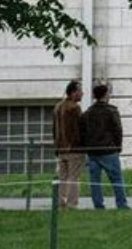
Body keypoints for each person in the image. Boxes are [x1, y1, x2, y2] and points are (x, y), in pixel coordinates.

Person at [80, 84, 129, 210]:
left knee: (95, 181)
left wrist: (86, 148)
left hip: (92, 152)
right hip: (109, 151)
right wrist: (118, 147)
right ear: (105, 95)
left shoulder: (87, 114)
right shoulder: (111, 111)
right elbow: (118, 130)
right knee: (117, 179)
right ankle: (122, 204)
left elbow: (82, 132)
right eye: (108, 93)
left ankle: (98, 205)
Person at [52, 80, 85, 209]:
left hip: (60, 148)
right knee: (74, 177)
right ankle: (72, 203)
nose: (82, 93)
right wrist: (82, 145)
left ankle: (60, 203)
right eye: (80, 91)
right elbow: (78, 129)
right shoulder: (74, 108)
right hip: (74, 148)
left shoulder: (57, 107)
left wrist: (56, 146)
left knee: (62, 177)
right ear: (73, 93)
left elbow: (54, 129)